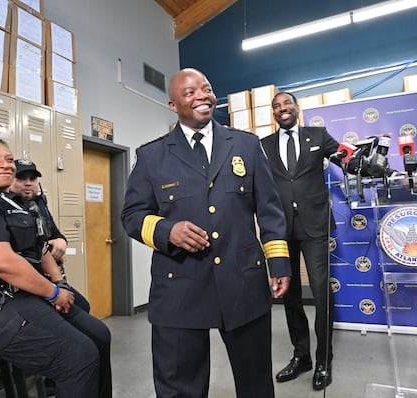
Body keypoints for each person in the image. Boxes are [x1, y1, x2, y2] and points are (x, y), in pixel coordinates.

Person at [121, 68, 291, 398]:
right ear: (173, 105)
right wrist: (167, 231)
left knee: (256, 383)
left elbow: (270, 210)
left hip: (242, 282)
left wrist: (280, 264)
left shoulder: (247, 145)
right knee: (179, 388)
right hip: (179, 288)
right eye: (190, 92)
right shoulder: (151, 156)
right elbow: (131, 216)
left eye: (207, 88)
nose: (202, 95)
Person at [0, 133, 111, 398]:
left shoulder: (18, 205)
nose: (6, 165)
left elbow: (41, 248)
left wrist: (59, 284)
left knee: (99, 335)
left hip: (23, 295)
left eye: (9, 159)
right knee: (79, 354)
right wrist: (53, 293)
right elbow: (2, 263)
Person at [9, 158, 111, 395]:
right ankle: (61, 373)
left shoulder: (39, 204)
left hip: (50, 279)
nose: (28, 184)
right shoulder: (8, 207)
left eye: (32, 179)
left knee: (87, 313)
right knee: (84, 340)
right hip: (27, 289)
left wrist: (61, 241)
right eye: (21, 178)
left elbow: (55, 234)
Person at [260, 91, 336, 390]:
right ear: (274, 113)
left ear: (297, 108)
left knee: (320, 292)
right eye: (276, 106)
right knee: (289, 296)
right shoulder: (263, 145)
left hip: (315, 226)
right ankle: (301, 356)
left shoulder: (317, 135)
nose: (282, 109)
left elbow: (345, 158)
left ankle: (323, 360)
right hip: (281, 229)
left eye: (286, 104)